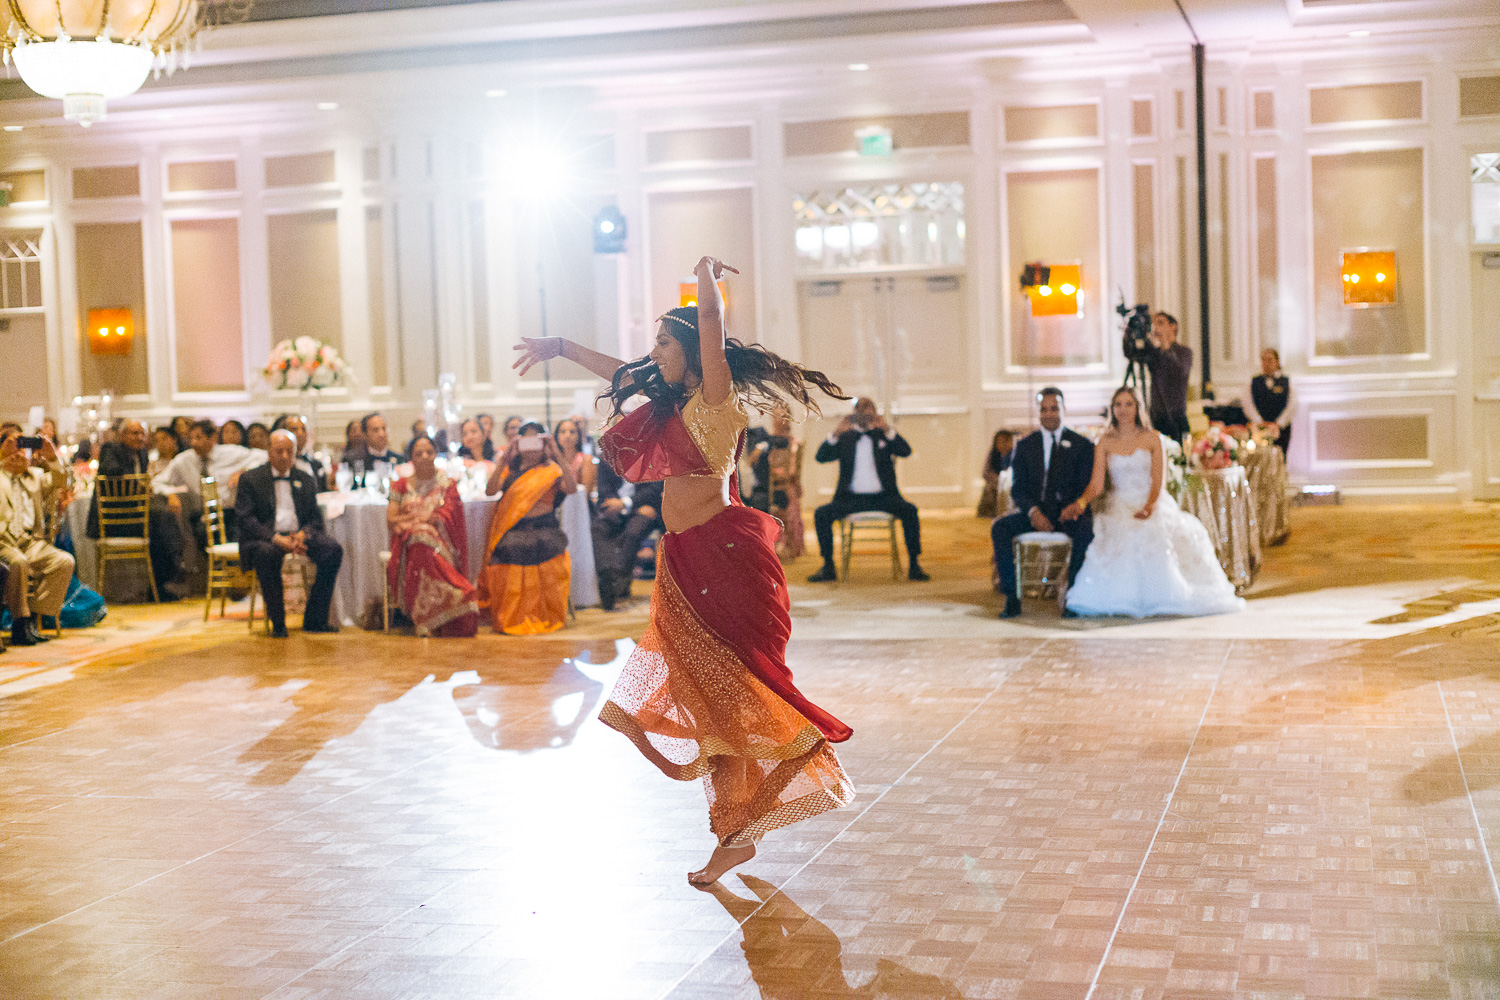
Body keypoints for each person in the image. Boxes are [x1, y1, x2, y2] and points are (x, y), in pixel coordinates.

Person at [513, 254, 854, 885]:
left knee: (737, 695)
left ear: (695, 348)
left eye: (666, 343)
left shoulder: (716, 399)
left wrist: (705, 278)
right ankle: (736, 831)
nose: (656, 354)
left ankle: (768, 790)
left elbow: (714, 332)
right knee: (707, 705)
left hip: (724, 560)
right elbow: (621, 372)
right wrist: (560, 346)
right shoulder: (670, 406)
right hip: (683, 563)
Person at [1061, 387, 1244, 618]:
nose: (1123, 409)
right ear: (1112, 408)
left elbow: (1158, 480)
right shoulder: (1105, 442)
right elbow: (1096, 485)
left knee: (1155, 531)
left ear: (1137, 407)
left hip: (1151, 501)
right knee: (1119, 532)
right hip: (1119, 503)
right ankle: (1121, 596)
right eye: (1118, 404)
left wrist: (1149, 506)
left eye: (1128, 404)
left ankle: (1164, 594)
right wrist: (1080, 503)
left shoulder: (1151, 438)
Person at [992, 388, 1095, 619]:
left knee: (1086, 531)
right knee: (1000, 527)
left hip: (1067, 514)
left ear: (1064, 410)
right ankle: (1012, 597)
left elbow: (1086, 486)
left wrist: (1074, 507)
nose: (1049, 414)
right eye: (1044, 409)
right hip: (1036, 513)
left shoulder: (1082, 445)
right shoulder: (1026, 445)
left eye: (1054, 408)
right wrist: (1033, 512)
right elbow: (1018, 489)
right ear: (1039, 412)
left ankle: (1071, 598)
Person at [806, 397, 928, 582]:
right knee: (821, 514)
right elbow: (821, 457)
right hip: (850, 499)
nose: (863, 413)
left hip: (883, 497)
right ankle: (828, 566)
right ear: (854, 414)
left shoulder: (883, 435)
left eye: (867, 409)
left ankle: (914, 565)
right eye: (860, 409)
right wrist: (836, 433)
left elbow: (906, 451)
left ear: (874, 412)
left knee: (910, 511)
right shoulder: (845, 437)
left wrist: (887, 429)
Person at [235, 430, 343, 637]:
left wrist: (303, 534)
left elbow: (314, 518)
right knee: (267, 555)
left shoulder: (305, 478)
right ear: (269, 452)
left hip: (297, 534)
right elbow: (246, 519)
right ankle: (278, 623)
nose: (284, 456)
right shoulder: (251, 479)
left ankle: (315, 619)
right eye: (279, 451)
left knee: (332, 550)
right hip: (266, 537)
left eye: (289, 451)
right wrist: (276, 538)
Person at [477, 423, 576, 635]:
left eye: (536, 440)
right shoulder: (509, 471)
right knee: (510, 549)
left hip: (545, 527)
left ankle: (546, 615)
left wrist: (557, 453)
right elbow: (489, 491)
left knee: (545, 546)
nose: (531, 446)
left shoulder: (552, 470)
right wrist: (505, 456)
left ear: (544, 443)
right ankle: (513, 616)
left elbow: (572, 488)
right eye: (526, 440)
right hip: (515, 529)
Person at [386, 436, 478, 637]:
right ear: (411, 458)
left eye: (429, 452)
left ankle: (431, 614)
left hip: (441, 541)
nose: (425, 457)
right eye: (418, 453)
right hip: (408, 542)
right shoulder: (400, 485)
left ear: (436, 454)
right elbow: (391, 519)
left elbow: (453, 516)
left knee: (423, 541)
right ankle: (434, 610)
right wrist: (416, 518)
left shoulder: (447, 484)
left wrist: (433, 517)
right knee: (419, 540)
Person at [88, 419, 186, 599]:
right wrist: (138, 483)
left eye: (142, 434)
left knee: (163, 520)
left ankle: (166, 576)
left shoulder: (142, 453)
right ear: (122, 435)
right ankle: (172, 572)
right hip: (114, 519)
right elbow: (111, 471)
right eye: (135, 433)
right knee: (162, 520)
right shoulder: (111, 449)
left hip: (136, 515)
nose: (140, 438)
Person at [0, 428, 74, 646]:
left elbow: (64, 481)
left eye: (23, 447)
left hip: (30, 541)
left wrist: (52, 456)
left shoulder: (35, 476)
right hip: (4, 541)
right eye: (14, 446)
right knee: (18, 563)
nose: (19, 453)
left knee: (63, 561)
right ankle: (20, 624)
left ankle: (33, 618)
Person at [153, 419, 263, 546]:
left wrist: (244, 473)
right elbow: (157, 482)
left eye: (199, 438)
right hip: (202, 515)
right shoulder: (184, 460)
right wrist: (170, 493)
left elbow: (263, 457)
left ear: (213, 438)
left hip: (230, 513)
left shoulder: (230, 453)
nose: (193, 443)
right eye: (191, 438)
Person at [592, 456, 663, 610]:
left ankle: (619, 587)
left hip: (643, 508)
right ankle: (608, 579)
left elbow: (654, 490)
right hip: (613, 508)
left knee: (632, 533)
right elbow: (604, 489)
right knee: (598, 529)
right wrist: (614, 505)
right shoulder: (606, 457)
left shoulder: (651, 455)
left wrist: (626, 503)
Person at [553, 417, 600, 609]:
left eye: (572, 432)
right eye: (563, 432)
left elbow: (585, 491)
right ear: (556, 436)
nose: (567, 436)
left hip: (581, 512)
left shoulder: (586, 460)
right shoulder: (551, 462)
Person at [1143, 311, 1193, 443]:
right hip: (1156, 417)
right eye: (1154, 324)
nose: (1156, 328)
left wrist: (1166, 343)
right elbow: (1131, 352)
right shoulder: (1155, 354)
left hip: (1176, 418)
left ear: (1173, 326)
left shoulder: (1184, 352)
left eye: (1160, 323)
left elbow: (1180, 371)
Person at [1246, 347, 1294, 454]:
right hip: (1259, 428)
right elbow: (1248, 404)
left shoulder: (1286, 382)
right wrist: (1260, 422)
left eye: (1270, 360)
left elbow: (1292, 405)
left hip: (1281, 428)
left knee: (1281, 456)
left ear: (1277, 362)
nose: (1267, 363)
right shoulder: (1254, 381)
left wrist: (1279, 423)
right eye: (1264, 360)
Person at [344, 412, 403, 489]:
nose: (381, 434)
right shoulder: (352, 460)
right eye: (376, 430)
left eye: (384, 429)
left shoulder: (399, 459)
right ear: (365, 434)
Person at [271, 414, 327, 488]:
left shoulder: (316, 465)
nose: (300, 434)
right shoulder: (277, 464)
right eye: (294, 429)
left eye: (303, 429)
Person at [977, 429, 1015, 518]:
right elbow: (985, 473)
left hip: (1011, 484)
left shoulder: (1015, 455)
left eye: (1006, 441)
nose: (1003, 445)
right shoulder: (992, 455)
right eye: (1000, 442)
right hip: (995, 484)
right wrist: (999, 481)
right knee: (989, 489)